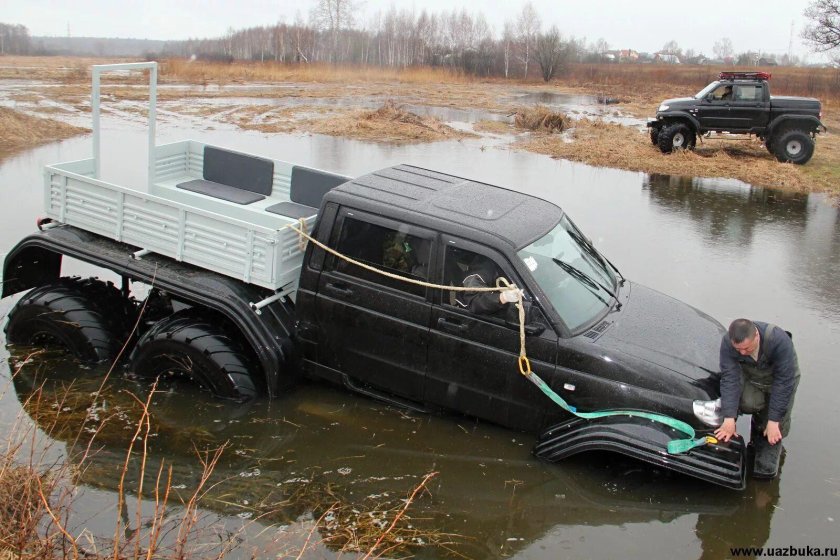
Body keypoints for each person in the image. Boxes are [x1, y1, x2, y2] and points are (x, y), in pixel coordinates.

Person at [714, 319, 800, 478]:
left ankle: (767, 439)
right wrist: (729, 418)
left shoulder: (779, 341)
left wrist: (774, 420)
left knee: (775, 424)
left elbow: (783, 383)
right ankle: (756, 434)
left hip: (782, 380)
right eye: (738, 349)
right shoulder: (728, 343)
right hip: (754, 378)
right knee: (747, 403)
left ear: (756, 337)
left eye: (746, 348)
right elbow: (730, 378)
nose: (742, 353)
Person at [447, 249, 522, 315]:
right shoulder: (485, 269)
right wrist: (503, 297)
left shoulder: (514, 256)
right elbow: (474, 301)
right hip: (472, 315)